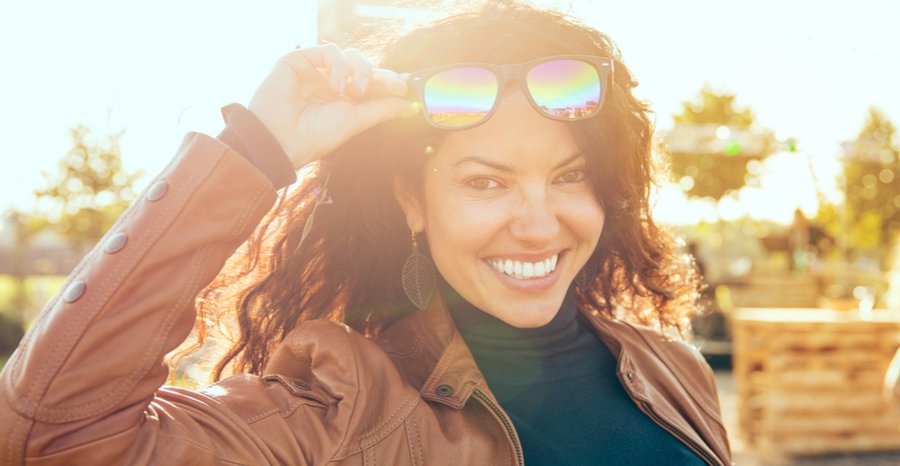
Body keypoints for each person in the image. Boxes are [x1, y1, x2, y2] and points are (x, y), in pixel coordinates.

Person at [0, 2, 731, 465]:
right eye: (485, 182)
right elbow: (52, 438)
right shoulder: (342, 414)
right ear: (411, 201)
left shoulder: (670, 370)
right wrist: (257, 150)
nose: (539, 223)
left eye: (570, 177)